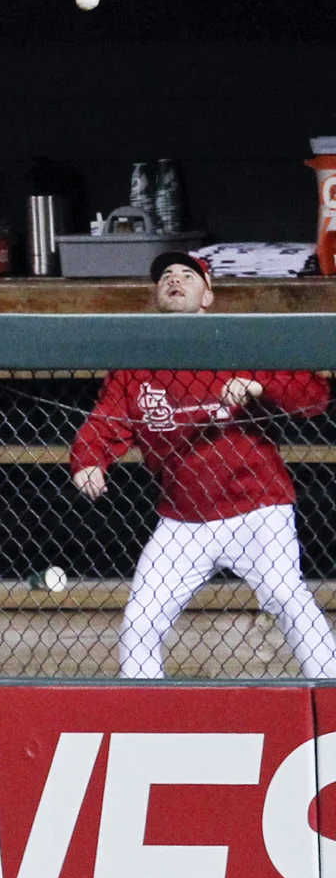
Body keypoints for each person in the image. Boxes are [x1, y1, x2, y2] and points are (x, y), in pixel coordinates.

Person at [70, 251, 336, 678]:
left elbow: (314, 396)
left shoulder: (239, 341)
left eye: (187, 275)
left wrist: (259, 385)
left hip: (256, 507)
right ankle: (142, 711)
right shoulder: (137, 364)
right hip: (183, 518)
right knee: (142, 618)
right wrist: (89, 461)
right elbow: (106, 422)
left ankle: (329, 691)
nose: (174, 280)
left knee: (288, 598)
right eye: (166, 277)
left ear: (207, 296)